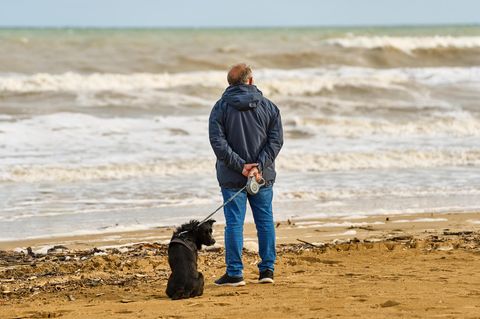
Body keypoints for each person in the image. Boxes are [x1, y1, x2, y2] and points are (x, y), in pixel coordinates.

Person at [208, 63, 283, 286]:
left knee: (234, 224)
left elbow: (218, 143)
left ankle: (235, 272)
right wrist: (255, 166)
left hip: (237, 176)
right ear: (250, 80)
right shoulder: (269, 107)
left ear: (230, 83)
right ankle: (266, 270)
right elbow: (276, 142)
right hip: (259, 175)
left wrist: (245, 166)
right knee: (264, 222)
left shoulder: (220, 107)